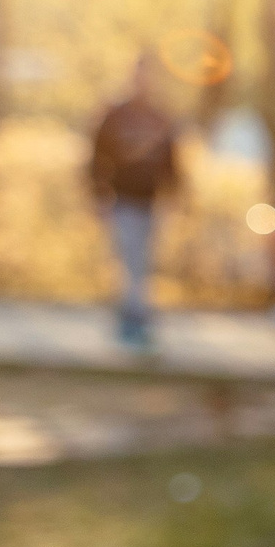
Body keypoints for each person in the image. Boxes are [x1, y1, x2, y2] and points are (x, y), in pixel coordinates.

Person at [90, 53, 184, 349]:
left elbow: (172, 160)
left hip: (151, 201)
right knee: (130, 261)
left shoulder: (160, 115)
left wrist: (176, 195)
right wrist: (98, 195)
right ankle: (133, 320)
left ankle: (137, 317)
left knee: (144, 263)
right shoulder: (115, 114)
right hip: (123, 200)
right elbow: (96, 157)